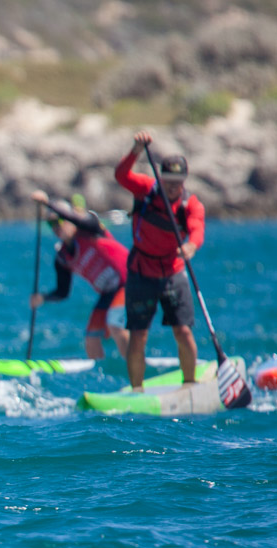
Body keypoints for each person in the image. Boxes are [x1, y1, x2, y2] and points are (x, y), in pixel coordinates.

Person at [115, 131, 203, 390]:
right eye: (168, 180)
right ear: (161, 178)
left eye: (178, 181)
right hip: (141, 272)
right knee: (138, 336)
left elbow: (197, 229)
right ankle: (137, 390)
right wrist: (135, 150)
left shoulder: (190, 205)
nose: (173, 186)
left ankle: (190, 385)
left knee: (183, 331)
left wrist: (190, 246)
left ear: (184, 180)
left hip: (173, 274)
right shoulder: (145, 189)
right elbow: (121, 176)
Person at [29, 190, 130, 360]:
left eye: (59, 222)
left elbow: (75, 218)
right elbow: (63, 292)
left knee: (115, 324)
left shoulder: (90, 228)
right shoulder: (62, 257)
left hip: (130, 280)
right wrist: (42, 298)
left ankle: (135, 368)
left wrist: (47, 203)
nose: (56, 228)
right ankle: (100, 376)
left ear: (69, 219)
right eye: (51, 225)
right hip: (109, 291)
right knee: (91, 338)